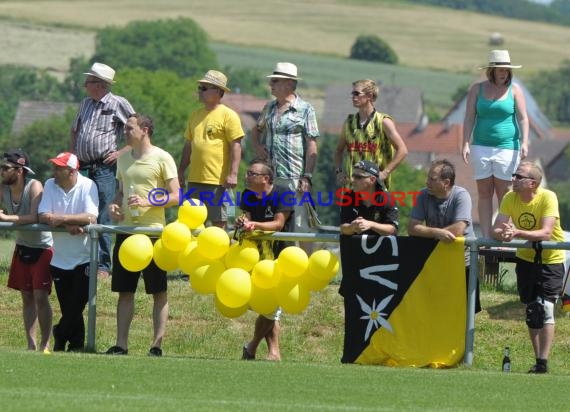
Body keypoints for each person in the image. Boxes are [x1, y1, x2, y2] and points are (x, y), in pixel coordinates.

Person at [107, 113, 179, 357]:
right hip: (126, 233)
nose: (124, 132)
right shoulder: (123, 158)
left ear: (145, 129)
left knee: (158, 291)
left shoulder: (162, 157)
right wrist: (115, 206)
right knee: (125, 291)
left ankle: (156, 345)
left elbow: (177, 196)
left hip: (153, 234)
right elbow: (120, 192)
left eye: (129, 128)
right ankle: (121, 345)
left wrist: (149, 202)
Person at [493, 161, 564, 374]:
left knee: (547, 308)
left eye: (519, 176)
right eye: (513, 175)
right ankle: (538, 360)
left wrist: (517, 233)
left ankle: (543, 361)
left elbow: (546, 233)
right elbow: (497, 228)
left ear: (532, 183)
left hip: (550, 259)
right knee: (532, 310)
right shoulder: (508, 198)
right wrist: (503, 233)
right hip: (525, 259)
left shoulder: (548, 197)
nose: (513, 179)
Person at [70, 62, 135, 278]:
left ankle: (103, 266)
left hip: (104, 168)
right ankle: (84, 260)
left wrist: (120, 152)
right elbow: (75, 131)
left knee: (104, 214)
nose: (84, 85)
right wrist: (72, 158)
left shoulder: (118, 103)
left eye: (87, 82)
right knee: (82, 212)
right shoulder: (85, 103)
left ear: (99, 85)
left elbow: (137, 131)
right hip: (83, 166)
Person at [251, 62, 318, 252]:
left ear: (289, 83)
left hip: (294, 176)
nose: (271, 84)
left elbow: (312, 143)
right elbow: (255, 131)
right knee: (276, 222)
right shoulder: (269, 107)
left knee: (301, 225)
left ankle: (306, 268)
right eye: (271, 81)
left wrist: (307, 175)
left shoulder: (305, 109)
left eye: (275, 81)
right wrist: (258, 147)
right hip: (271, 176)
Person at [462, 50, 529, 239]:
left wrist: (524, 141)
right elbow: (468, 118)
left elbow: (523, 118)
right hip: (480, 146)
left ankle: (503, 235)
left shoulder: (515, 90)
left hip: (507, 146)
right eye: (500, 70)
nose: (504, 73)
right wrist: (465, 143)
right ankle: (486, 237)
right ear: (491, 70)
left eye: (507, 70)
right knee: (484, 192)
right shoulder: (477, 89)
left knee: (505, 193)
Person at [38, 152, 99, 352]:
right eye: (54, 166)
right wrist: (69, 222)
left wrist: (62, 219)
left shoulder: (88, 185)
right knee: (69, 308)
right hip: (59, 258)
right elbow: (44, 214)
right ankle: (76, 345)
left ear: (72, 171)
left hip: (85, 257)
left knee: (76, 305)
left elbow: (90, 217)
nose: (53, 171)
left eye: (58, 168)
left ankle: (60, 333)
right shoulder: (49, 184)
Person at [237, 159, 293, 361]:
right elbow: (248, 218)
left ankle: (253, 347)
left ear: (266, 178)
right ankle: (272, 352)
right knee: (269, 306)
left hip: (281, 256)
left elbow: (278, 224)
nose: (246, 176)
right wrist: (244, 222)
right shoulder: (247, 195)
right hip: (256, 256)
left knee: (272, 306)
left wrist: (253, 224)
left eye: (251, 173)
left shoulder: (284, 192)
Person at [408, 159, 481, 313]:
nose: (426, 182)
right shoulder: (422, 195)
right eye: (428, 177)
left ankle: (464, 338)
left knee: (465, 310)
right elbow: (412, 228)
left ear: (446, 182)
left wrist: (428, 232)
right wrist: (437, 233)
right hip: (435, 261)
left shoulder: (462, 196)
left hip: (464, 263)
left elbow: (459, 229)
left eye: (432, 179)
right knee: (435, 308)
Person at [0, 149, 53, 353]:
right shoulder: (4, 188)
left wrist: (7, 219)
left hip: (42, 248)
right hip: (22, 247)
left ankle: (45, 344)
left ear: (20, 170)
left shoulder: (35, 186)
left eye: (6, 168)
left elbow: (35, 217)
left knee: (40, 296)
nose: (2, 171)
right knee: (26, 297)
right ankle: (31, 345)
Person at [178, 70, 243, 229]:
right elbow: (188, 146)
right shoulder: (195, 115)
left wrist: (233, 174)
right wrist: (180, 171)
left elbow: (236, 145)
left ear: (218, 91)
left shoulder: (229, 115)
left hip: (218, 182)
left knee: (219, 224)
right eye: (200, 87)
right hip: (194, 180)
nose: (200, 91)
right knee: (191, 224)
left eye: (204, 88)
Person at [334, 79, 408, 190]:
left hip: (375, 190)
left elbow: (402, 150)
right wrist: (338, 172)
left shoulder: (383, 121)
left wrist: (385, 172)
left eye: (357, 93)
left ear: (369, 96)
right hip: (351, 189)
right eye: (352, 93)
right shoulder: (349, 123)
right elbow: (339, 151)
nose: (353, 97)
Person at [339, 160, 399, 237]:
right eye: (353, 176)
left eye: (358, 177)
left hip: (382, 248)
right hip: (355, 247)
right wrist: (352, 227)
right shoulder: (348, 197)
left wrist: (371, 225)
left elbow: (393, 230)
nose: (352, 180)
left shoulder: (386, 199)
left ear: (372, 180)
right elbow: (343, 227)